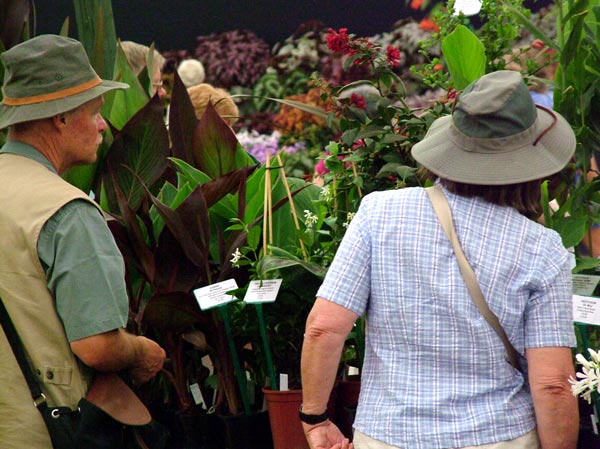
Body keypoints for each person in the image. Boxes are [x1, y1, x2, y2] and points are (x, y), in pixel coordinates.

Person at [300, 71, 578, 449]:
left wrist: (315, 418)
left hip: (388, 435)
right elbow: (552, 385)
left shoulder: (378, 213)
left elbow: (324, 328)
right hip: (498, 436)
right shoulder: (543, 249)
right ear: (527, 163)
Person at [0, 35, 166, 449]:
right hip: (44, 432)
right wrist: (142, 351)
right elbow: (96, 346)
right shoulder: (66, 211)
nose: (102, 125)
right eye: (94, 111)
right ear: (60, 117)